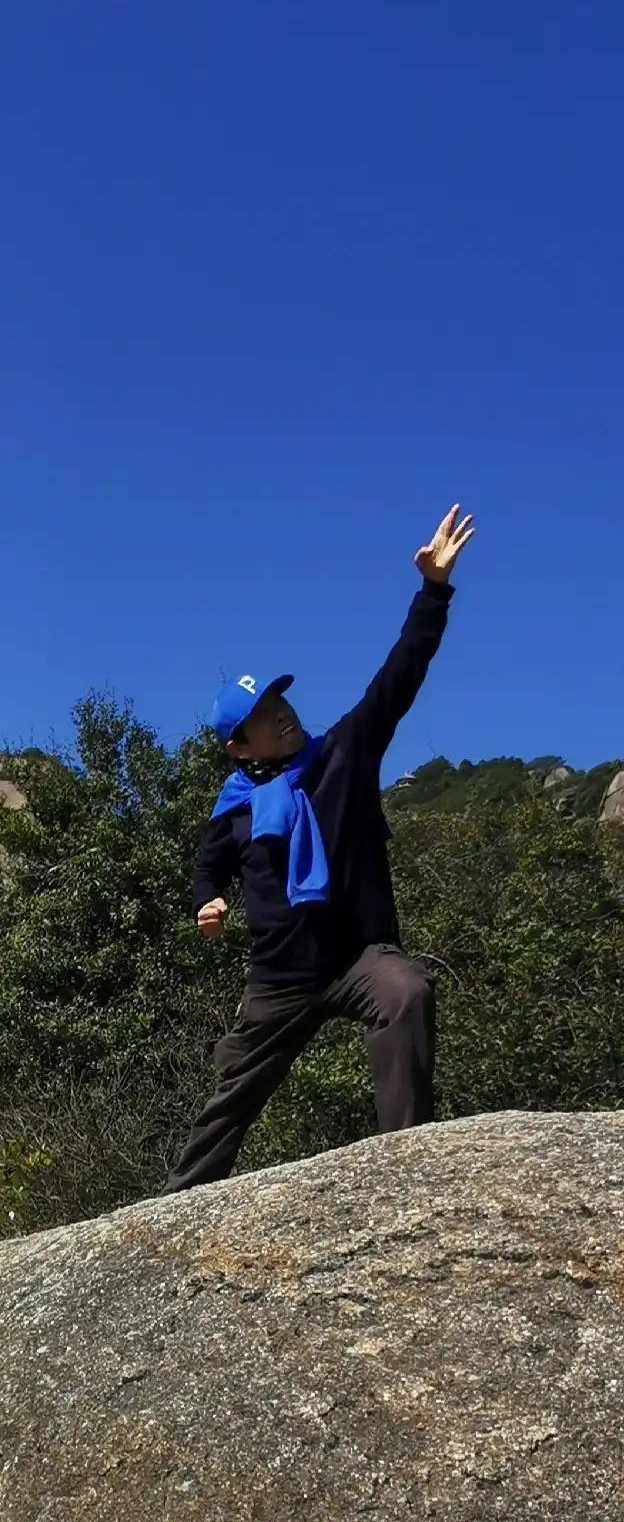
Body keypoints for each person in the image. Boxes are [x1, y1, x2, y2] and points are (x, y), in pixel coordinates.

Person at [165, 506, 475, 1194]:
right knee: (228, 1101)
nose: (280, 713)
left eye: (279, 700)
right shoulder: (236, 805)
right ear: (240, 747)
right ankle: (168, 1211)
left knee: (409, 992)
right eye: (260, 717)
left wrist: (433, 593)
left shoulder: (341, 753)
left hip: (358, 956)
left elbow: (396, 681)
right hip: (279, 979)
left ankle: (406, 1173)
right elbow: (209, 864)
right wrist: (207, 900)